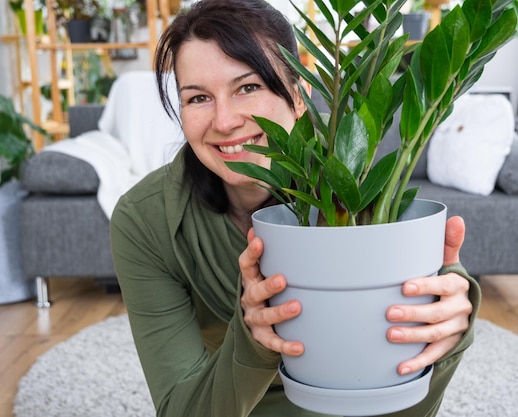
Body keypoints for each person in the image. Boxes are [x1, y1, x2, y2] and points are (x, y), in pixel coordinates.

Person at [110, 0, 480, 416]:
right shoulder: (145, 220)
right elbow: (182, 410)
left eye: (247, 87)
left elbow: (402, 403)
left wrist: (446, 329)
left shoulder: (360, 194)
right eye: (198, 98)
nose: (225, 121)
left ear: (299, 96)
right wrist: (253, 340)